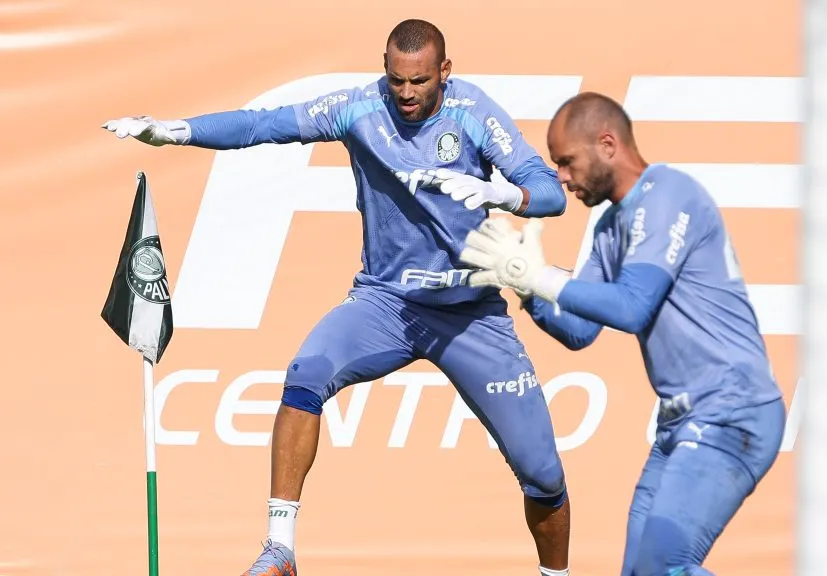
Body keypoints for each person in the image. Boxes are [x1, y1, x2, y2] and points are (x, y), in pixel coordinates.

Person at [102, 19, 574, 576]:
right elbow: (263, 125)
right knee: (306, 373)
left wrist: (505, 192)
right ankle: (280, 549)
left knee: (542, 475)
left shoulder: (473, 113)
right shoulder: (358, 108)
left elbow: (549, 194)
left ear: (444, 72)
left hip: (469, 313)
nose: (405, 94)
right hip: (386, 305)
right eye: (396, 80)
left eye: (419, 82)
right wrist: (175, 131)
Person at [457, 91, 787, 576]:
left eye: (567, 163)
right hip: (681, 423)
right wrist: (526, 289)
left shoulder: (670, 192)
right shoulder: (611, 224)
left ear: (607, 144)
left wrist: (542, 277)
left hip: (731, 412)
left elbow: (634, 307)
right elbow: (580, 331)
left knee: (662, 566)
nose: (561, 179)